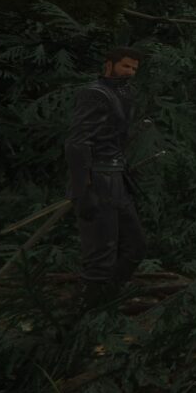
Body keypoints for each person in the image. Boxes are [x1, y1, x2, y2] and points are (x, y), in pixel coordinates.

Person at [65, 46, 147, 311]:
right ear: (109, 65)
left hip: (116, 179)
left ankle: (108, 300)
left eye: (134, 68)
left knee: (134, 245)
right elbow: (78, 143)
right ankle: (81, 315)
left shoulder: (122, 93)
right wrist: (83, 189)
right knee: (101, 255)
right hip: (98, 180)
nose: (130, 72)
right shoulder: (94, 94)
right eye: (125, 66)